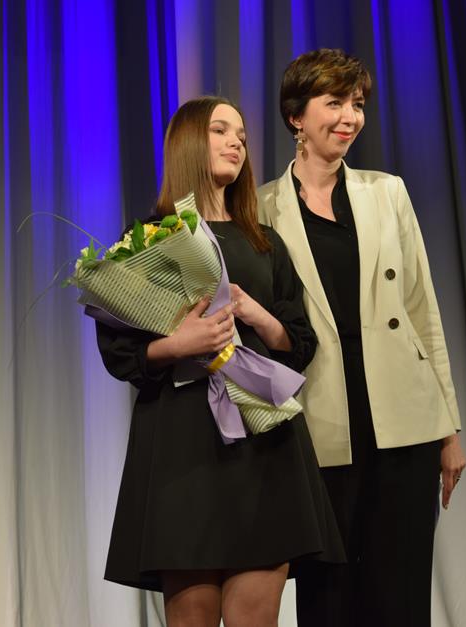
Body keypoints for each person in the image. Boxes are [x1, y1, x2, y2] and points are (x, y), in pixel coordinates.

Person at [96, 96, 342, 627]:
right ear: (188, 141)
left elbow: (300, 344)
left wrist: (257, 314)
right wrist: (179, 344)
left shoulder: (265, 243)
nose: (237, 142)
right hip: (182, 450)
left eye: (243, 136)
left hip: (265, 446)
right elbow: (120, 354)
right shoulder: (148, 240)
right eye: (221, 130)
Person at [257, 48, 466, 627]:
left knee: (401, 595)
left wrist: (448, 428)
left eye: (357, 104)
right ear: (296, 116)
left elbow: (423, 311)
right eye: (335, 103)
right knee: (329, 598)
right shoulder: (263, 207)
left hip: (404, 421)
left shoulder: (387, 191)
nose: (350, 117)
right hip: (320, 422)